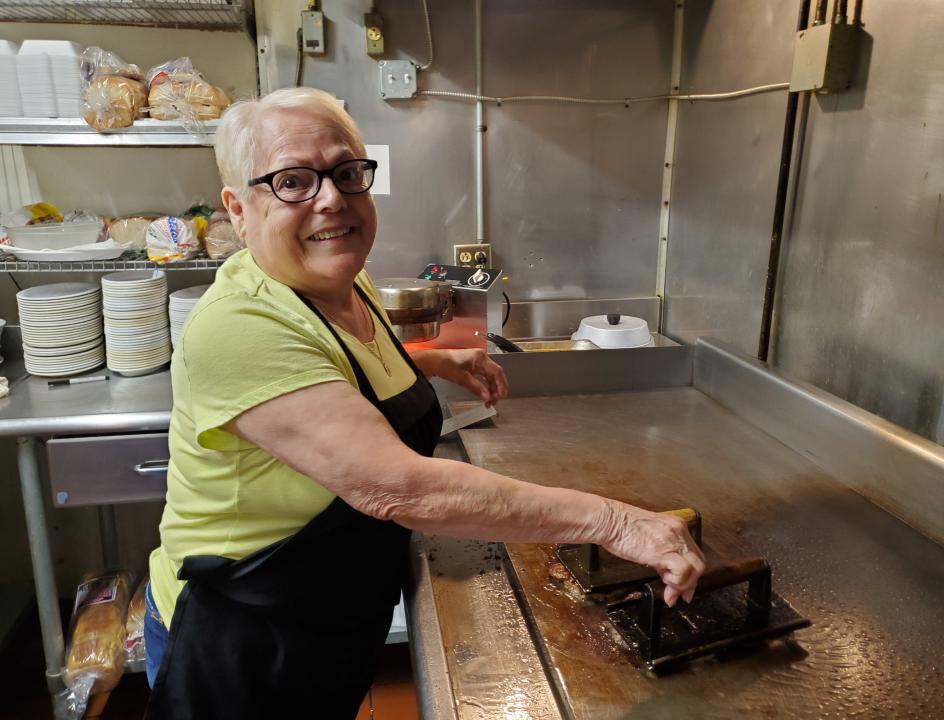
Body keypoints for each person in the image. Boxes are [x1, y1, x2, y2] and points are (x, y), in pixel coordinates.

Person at [144, 86, 704, 719]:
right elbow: (399, 488)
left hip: (323, 616)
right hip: (241, 637)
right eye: (293, 181)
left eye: (347, 173)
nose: (332, 198)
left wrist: (439, 361)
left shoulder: (344, 279)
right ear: (238, 209)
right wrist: (619, 523)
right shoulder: (238, 325)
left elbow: (338, 372)